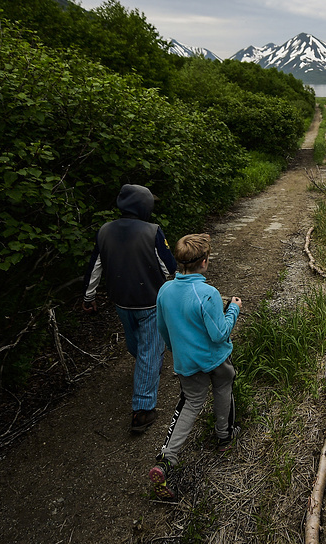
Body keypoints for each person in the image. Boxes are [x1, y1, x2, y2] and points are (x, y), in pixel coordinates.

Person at [148, 233, 242, 500]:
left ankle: (167, 460)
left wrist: (174, 350)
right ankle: (223, 436)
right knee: (223, 388)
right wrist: (233, 309)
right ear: (204, 262)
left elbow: (163, 329)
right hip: (215, 360)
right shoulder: (208, 293)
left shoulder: (165, 291)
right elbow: (219, 334)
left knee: (191, 404)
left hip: (187, 363)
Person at [83, 184, 176, 433]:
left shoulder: (104, 231)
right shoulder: (152, 231)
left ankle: (148, 370)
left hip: (121, 301)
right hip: (150, 301)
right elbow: (168, 267)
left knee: (136, 343)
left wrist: (88, 297)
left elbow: (96, 266)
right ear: (143, 206)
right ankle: (143, 410)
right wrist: (178, 291)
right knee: (148, 351)